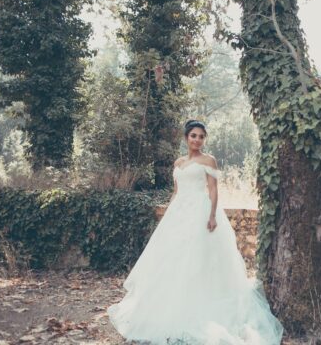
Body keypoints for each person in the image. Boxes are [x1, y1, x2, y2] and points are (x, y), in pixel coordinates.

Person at [107, 120, 283, 344]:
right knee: (172, 259)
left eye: (201, 136)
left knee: (200, 257)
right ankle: (169, 307)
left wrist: (211, 215)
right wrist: (169, 216)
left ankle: (204, 305)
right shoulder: (179, 162)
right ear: (186, 138)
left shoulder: (209, 160)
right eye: (193, 136)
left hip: (200, 212)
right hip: (179, 213)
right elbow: (176, 192)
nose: (197, 140)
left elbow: (213, 189)